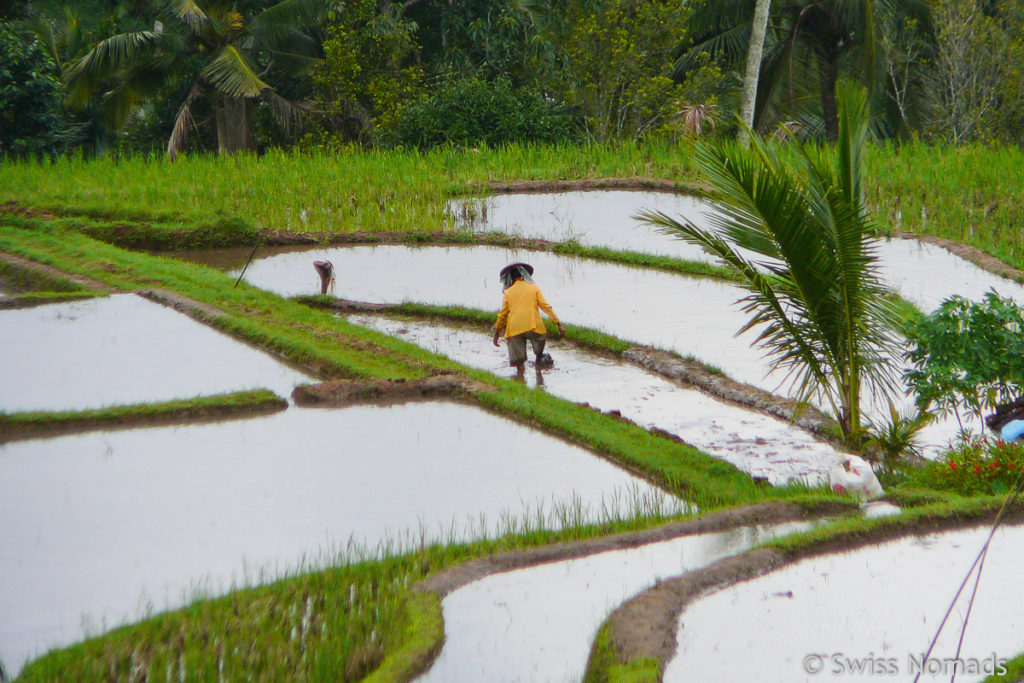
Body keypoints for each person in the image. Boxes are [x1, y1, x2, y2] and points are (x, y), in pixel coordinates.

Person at [492, 262, 565, 379]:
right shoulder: (533, 288)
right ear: (524, 276)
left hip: (515, 329)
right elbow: (546, 307)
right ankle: (538, 367)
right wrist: (558, 323)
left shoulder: (508, 293)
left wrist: (496, 333)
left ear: (510, 278)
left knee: (519, 364)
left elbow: (502, 315)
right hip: (534, 327)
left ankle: (521, 380)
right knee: (539, 346)